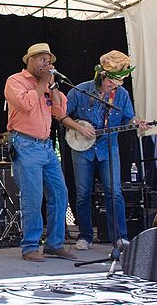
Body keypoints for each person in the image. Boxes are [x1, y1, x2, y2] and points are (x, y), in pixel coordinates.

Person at [61, 50, 151, 251]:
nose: (114, 87)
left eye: (117, 84)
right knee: (83, 193)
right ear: (101, 75)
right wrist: (79, 127)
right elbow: (62, 116)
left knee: (114, 192)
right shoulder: (80, 91)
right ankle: (85, 235)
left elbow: (129, 117)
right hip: (81, 149)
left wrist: (137, 122)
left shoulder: (122, 95)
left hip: (108, 147)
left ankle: (119, 237)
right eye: (111, 82)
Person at [4, 43, 76, 262]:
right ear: (30, 60)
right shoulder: (15, 81)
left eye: (49, 60)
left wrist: (52, 87)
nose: (47, 64)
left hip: (46, 146)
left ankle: (55, 244)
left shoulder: (48, 83)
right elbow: (25, 104)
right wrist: (43, 82)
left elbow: (60, 111)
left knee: (60, 193)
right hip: (25, 144)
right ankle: (30, 247)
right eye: (42, 59)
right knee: (33, 198)